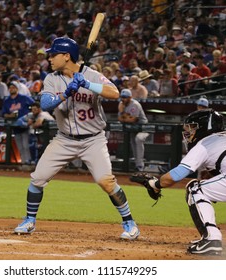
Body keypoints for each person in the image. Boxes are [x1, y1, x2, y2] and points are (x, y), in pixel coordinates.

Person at [14, 37, 140, 240]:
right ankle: (29, 220)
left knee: (105, 182)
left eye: (53, 54)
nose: (50, 58)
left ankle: (130, 223)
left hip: (93, 140)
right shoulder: (51, 78)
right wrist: (66, 93)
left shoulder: (91, 75)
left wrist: (88, 84)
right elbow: (46, 104)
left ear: (66, 56)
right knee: (37, 179)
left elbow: (114, 93)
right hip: (64, 139)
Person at [146, 109, 226, 255]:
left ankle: (212, 239)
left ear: (205, 127)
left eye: (193, 127)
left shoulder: (204, 143)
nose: (189, 132)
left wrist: (155, 184)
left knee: (196, 189)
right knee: (206, 186)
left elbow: (177, 174)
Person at [2, 81, 35, 165]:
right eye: (10, 87)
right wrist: (9, 116)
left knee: (26, 145)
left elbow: (35, 105)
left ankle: (29, 161)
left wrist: (31, 117)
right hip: (15, 126)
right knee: (20, 147)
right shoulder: (7, 101)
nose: (12, 89)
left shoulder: (23, 98)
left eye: (13, 87)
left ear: (17, 89)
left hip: (25, 125)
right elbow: (3, 114)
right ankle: (24, 162)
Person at [118, 89, 149, 171]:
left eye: (125, 97)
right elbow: (120, 119)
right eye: (122, 97)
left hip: (143, 128)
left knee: (138, 139)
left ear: (130, 97)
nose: (123, 99)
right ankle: (138, 166)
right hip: (133, 129)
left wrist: (122, 114)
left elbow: (133, 120)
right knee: (133, 143)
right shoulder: (121, 104)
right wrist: (125, 116)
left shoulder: (135, 104)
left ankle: (140, 166)